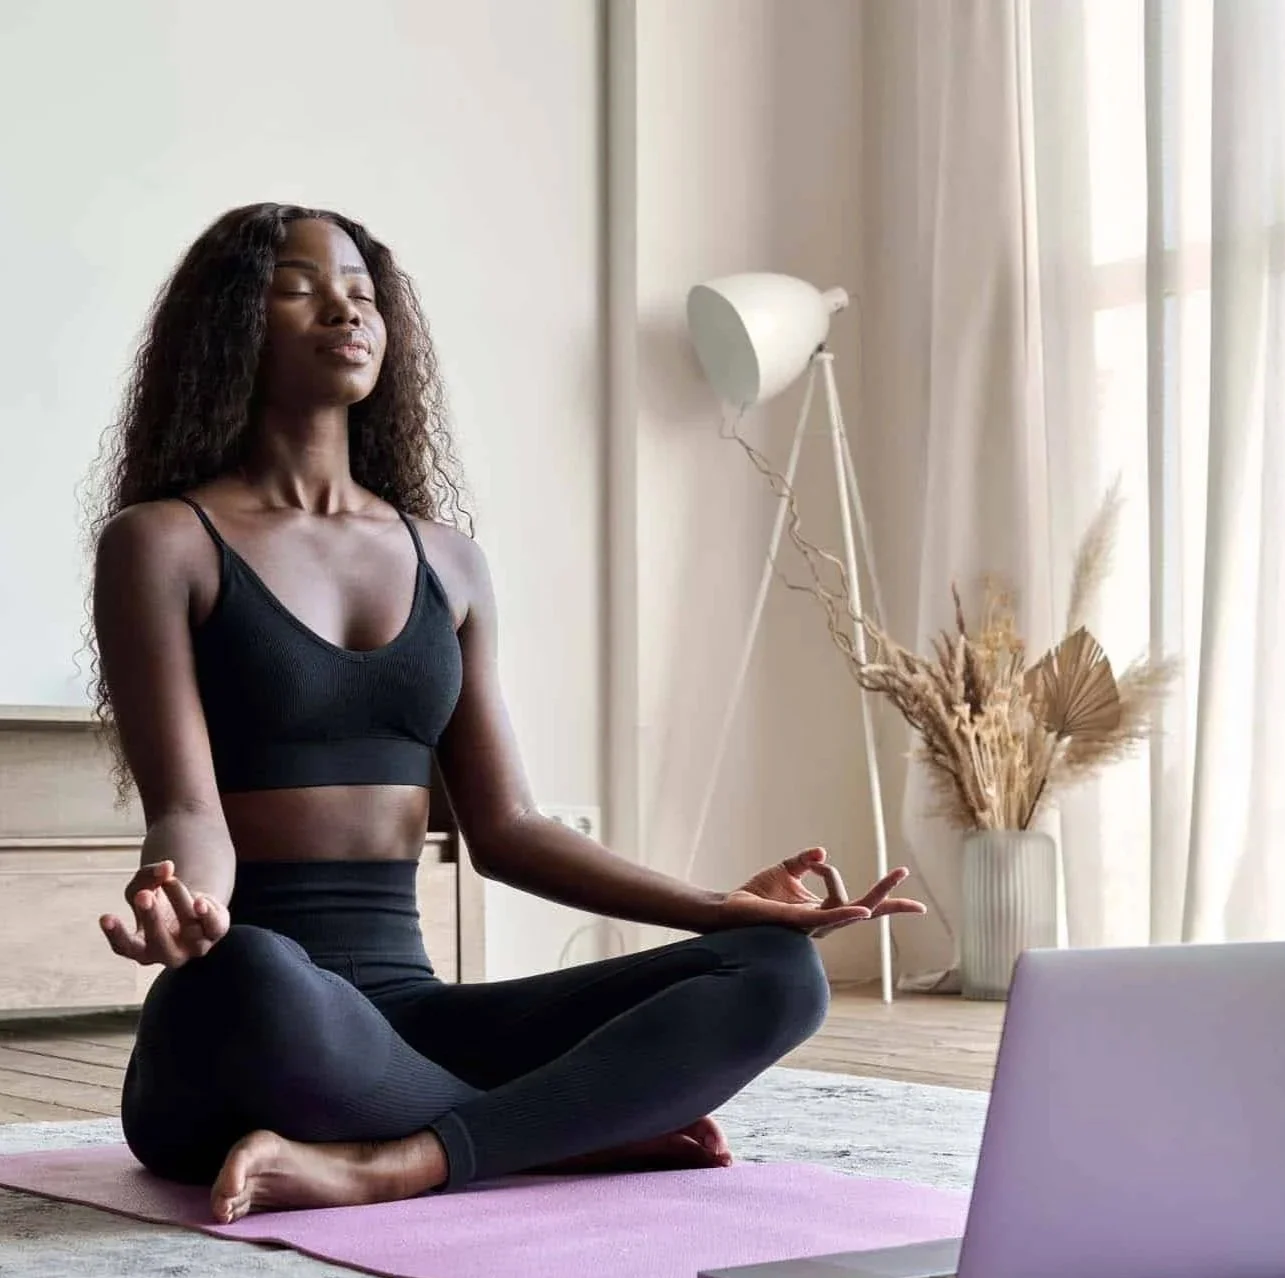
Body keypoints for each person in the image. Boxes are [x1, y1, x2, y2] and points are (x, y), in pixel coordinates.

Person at [88, 202, 925, 1226]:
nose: (344, 305)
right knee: (251, 971)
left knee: (777, 973)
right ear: (230, 323)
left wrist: (721, 909)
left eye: (360, 286)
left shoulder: (449, 560)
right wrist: (181, 898)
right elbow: (187, 810)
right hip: (252, 1026)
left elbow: (509, 829)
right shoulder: (163, 543)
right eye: (298, 284)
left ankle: (398, 1162)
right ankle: (566, 1131)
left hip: (413, 1024)